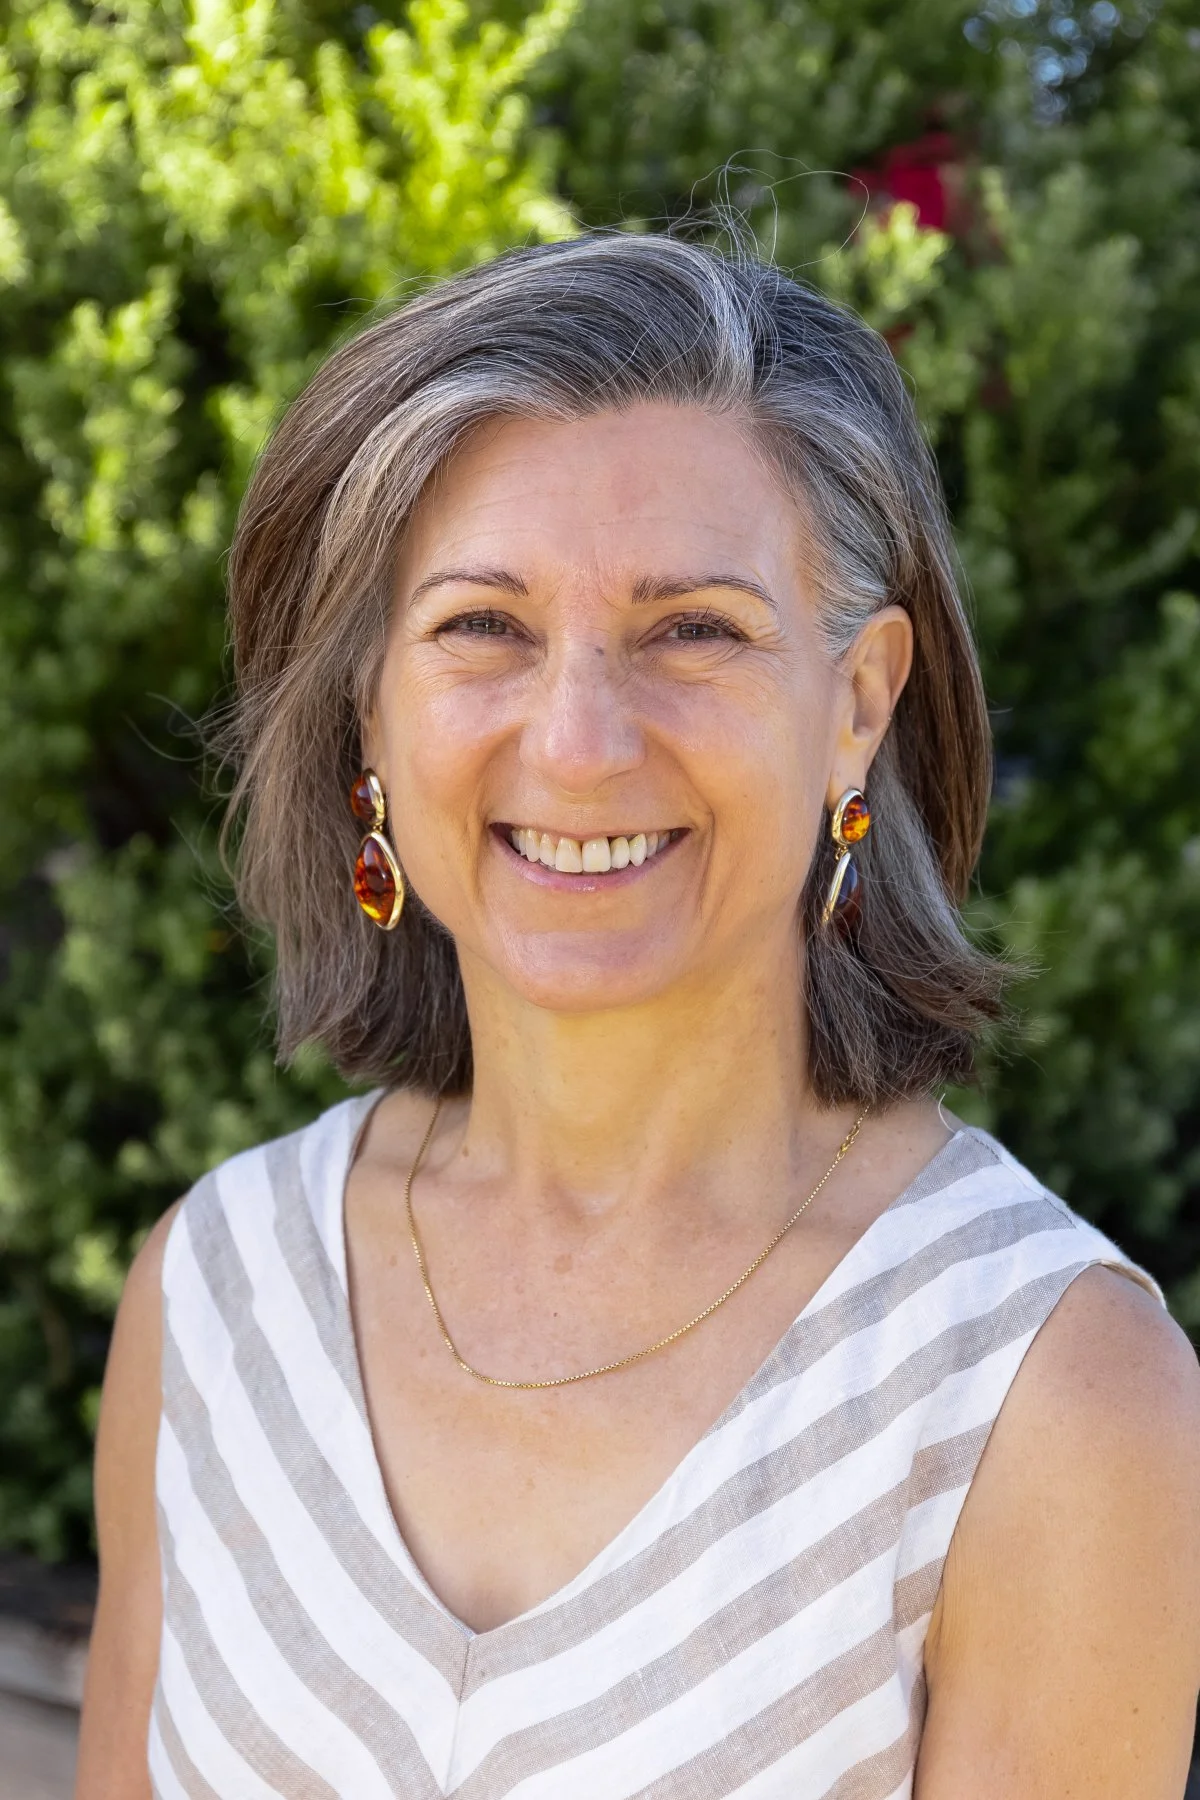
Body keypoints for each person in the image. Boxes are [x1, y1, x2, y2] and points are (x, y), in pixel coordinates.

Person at [77, 235, 1200, 1800]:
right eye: (484, 626)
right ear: (367, 712)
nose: (583, 740)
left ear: (859, 704)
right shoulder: (217, 1289)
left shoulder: (1047, 1392)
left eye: (695, 629)